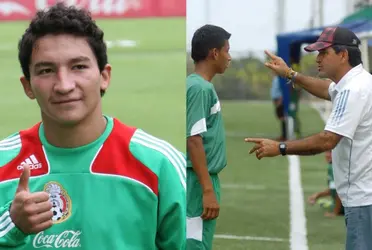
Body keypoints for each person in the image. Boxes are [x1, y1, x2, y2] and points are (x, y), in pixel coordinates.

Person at [0, 3, 186, 249]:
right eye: (46, 70)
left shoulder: (162, 166)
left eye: (78, 67)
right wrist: (11, 224)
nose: (64, 85)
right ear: (27, 86)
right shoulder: (3, 163)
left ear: (104, 77)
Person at [245, 26, 372, 250]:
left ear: (343, 55)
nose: (317, 59)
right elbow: (327, 89)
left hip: (364, 199)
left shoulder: (353, 91)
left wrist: (281, 147)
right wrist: (290, 74)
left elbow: (327, 140)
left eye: (324, 53)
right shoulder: (358, 82)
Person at [186, 24, 231, 250]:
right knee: (194, 244)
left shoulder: (201, 87)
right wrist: (207, 190)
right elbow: (193, 138)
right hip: (196, 181)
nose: (229, 57)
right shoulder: (199, 89)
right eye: (227, 51)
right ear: (214, 53)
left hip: (200, 179)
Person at [307, 151, 344, 218]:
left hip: (347, 208)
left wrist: (335, 212)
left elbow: (339, 192)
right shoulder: (333, 166)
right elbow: (333, 190)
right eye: (326, 152)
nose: (327, 155)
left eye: (330, 152)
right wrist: (317, 195)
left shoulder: (334, 168)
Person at [270, 74, 287, 141]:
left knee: (282, 117)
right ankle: (283, 135)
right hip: (276, 99)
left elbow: (282, 89)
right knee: (280, 117)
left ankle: (284, 135)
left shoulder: (280, 79)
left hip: (279, 100)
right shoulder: (275, 78)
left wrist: (280, 99)